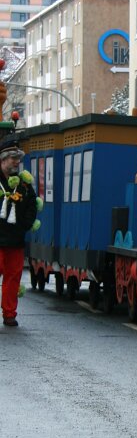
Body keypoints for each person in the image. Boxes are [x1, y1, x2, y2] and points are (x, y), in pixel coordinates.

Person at [0, 136, 41, 327]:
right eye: (13, 158)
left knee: (13, 278)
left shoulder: (24, 184)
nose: (17, 162)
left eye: (18, 158)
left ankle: (9, 313)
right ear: (3, 159)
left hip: (15, 241)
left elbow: (32, 204)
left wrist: (24, 224)